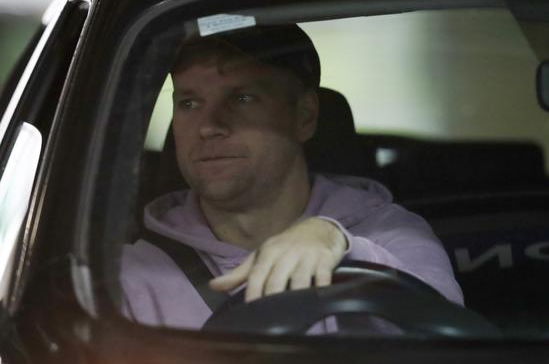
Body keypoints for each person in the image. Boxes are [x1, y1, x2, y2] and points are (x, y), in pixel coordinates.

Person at [121, 24, 463, 331]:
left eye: (241, 98)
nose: (209, 126)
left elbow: (447, 342)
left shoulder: (392, 233)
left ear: (304, 116)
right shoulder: (132, 274)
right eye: (190, 103)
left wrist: (338, 242)